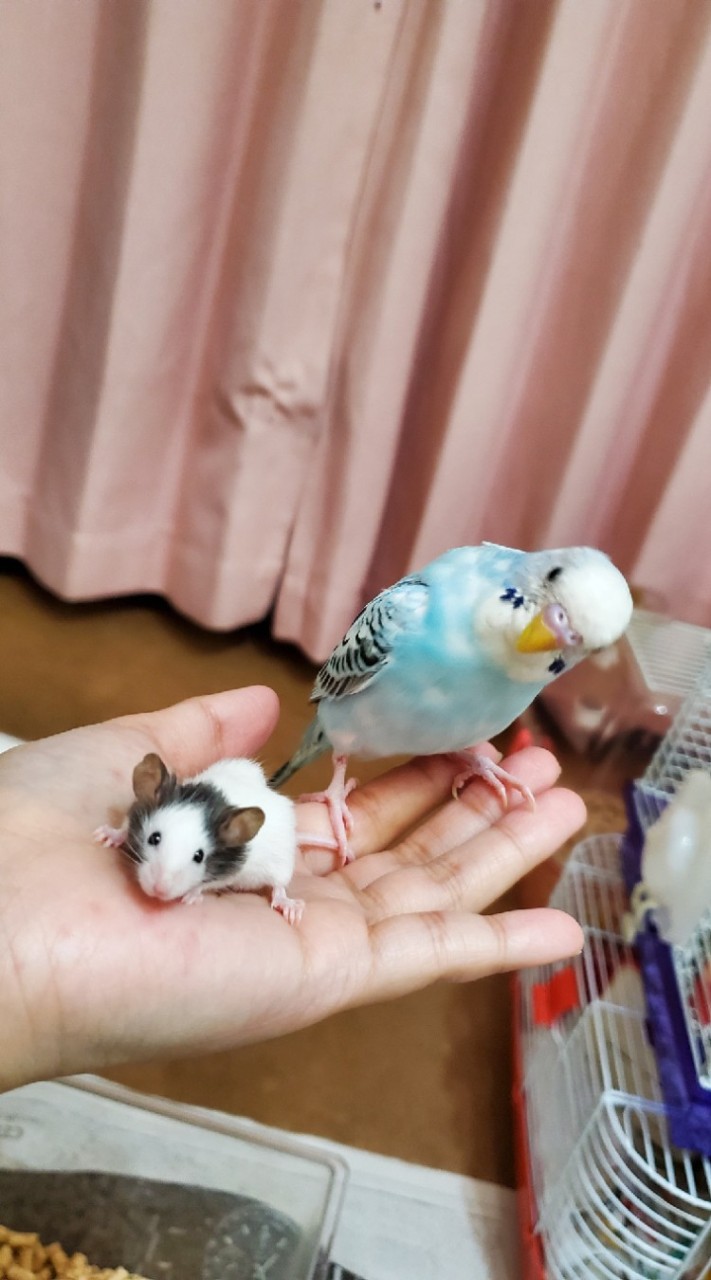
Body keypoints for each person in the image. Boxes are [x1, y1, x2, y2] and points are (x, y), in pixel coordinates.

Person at [0, 685, 585, 1094]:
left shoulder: (247, 841)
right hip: (211, 805)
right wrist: (118, 833)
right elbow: (150, 828)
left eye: (196, 862)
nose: (160, 880)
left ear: (226, 846)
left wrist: (276, 891)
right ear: (146, 798)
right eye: (148, 843)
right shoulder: (154, 813)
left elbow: (239, 852)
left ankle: (270, 884)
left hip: (258, 824)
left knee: (266, 864)